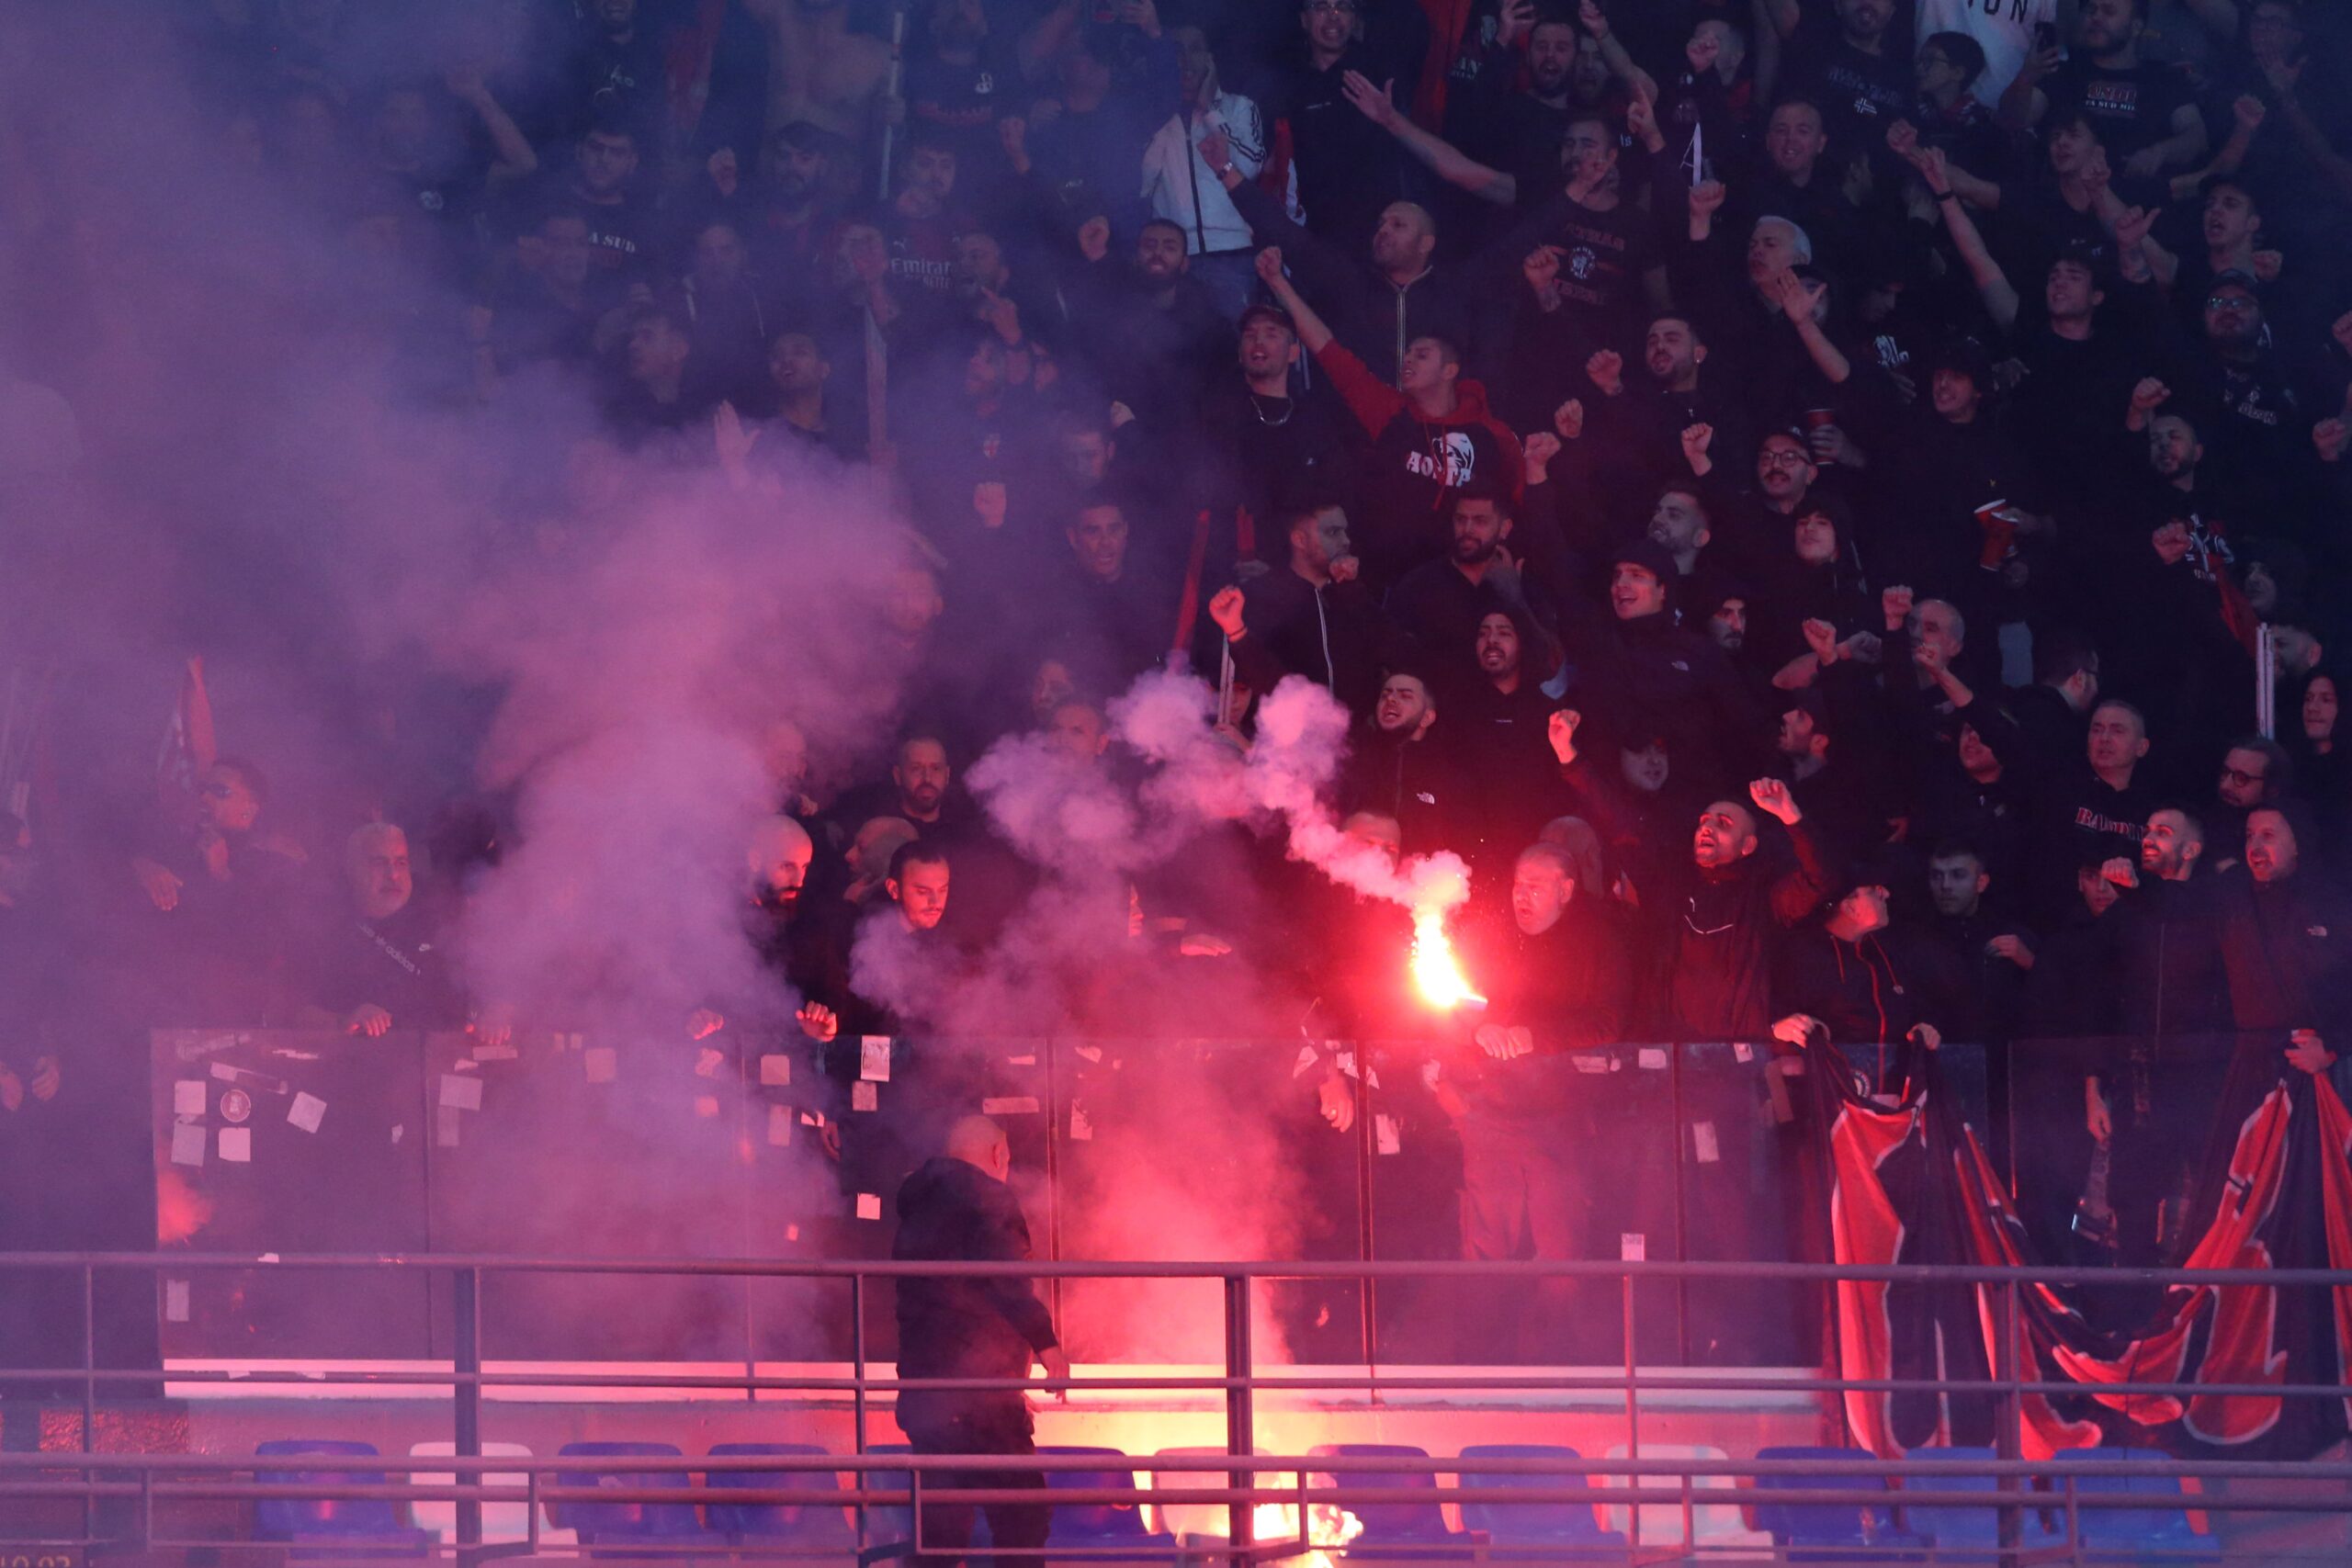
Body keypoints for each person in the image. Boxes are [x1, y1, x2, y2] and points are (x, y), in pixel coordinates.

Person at [1434, 842, 1628, 1362]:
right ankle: (1478, 1362)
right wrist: (1482, 1027)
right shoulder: (1489, 941)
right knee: (1486, 1246)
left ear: (1566, 890)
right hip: (1490, 1117)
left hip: (1559, 1120)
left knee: (1560, 1247)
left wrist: (1533, 1036)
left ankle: (1553, 1363)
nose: (1523, 895)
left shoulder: (1595, 946)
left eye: (1536, 885)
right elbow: (1450, 1003)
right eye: (1518, 884)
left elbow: (1609, 1023)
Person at [891, 1114, 1071, 1567]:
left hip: (927, 1395)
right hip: (978, 1402)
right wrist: (1047, 1346)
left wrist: (1005, 1383)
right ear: (998, 1155)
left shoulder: (919, 1204)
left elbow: (943, 1309)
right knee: (1023, 1517)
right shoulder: (987, 1198)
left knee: (943, 1529)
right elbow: (1006, 1280)